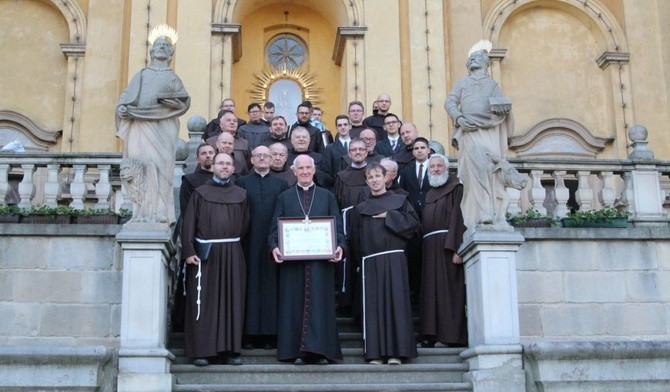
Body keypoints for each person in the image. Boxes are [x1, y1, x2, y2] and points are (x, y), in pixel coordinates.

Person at [269, 155, 346, 364]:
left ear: (314, 170)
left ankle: (321, 351)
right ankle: (296, 351)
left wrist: (340, 246)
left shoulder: (326, 196)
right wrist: (274, 247)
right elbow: (275, 229)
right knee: (293, 305)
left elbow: (337, 226)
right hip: (293, 266)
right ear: (294, 171)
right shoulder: (284, 197)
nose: (304, 171)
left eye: (308, 168)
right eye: (300, 168)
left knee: (321, 306)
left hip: (321, 264)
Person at [116, 25, 190, 224]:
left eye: (166, 46)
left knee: (161, 168)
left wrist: (173, 103)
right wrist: (123, 107)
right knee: (140, 166)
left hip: (162, 128)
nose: (162, 48)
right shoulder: (141, 74)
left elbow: (184, 100)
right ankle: (140, 210)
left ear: (171, 54)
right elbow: (126, 96)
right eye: (158, 45)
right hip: (140, 125)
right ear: (151, 51)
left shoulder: (172, 77)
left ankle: (159, 210)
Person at [181, 152, 249, 366]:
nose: (225, 167)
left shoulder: (241, 194)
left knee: (232, 301)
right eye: (221, 163)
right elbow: (189, 223)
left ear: (233, 168)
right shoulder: (200, 193)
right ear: (213, 166)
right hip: (205, 256)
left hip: (232, 253)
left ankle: (230, 350)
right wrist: (189, 250)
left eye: (228, 163)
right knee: (205, 302)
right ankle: (203, 351)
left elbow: (245, 224)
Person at [349, 163, 419, 364]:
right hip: (369, 263)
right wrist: (357, 262)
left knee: (395, 304)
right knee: (373, 308)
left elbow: (413, 224)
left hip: (394, 259)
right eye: (370, 177)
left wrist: (390, 216)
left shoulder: (400, 200)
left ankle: (396, 353)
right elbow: (355, 236)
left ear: (385, 177)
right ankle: (374, 353)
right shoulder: (360, 208)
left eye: (377, 176)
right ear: (366, 181)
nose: (374, 180)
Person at [444, 40, 517, 230]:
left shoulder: (493, 85)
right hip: (469, 131)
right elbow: (449, 102)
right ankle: (482, 212)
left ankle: (495, 212)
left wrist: (503, 109)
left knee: (492, 168)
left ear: (486, 63)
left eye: (478, 57)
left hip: (488, 131)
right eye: (471, 58)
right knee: (475, 172)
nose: (473, 59)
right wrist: (459, 118)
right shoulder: (463, 83)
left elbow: (502, 107)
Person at [236, 146, 289, 350]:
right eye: (258, 156)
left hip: (274, 243)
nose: (263, 159)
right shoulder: (241, 183)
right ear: (251, 159)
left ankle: (270, 334)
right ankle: (249, 334)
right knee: (250, 286)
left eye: (266, 156)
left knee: (271, 287)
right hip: (248, 242)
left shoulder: (281, 184)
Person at [419, 154, 467, 347]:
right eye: (432, 167)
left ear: (447, 169)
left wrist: (457, 248)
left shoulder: (456, 188)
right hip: (430, 248)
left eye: (440, 166)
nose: (436, 169)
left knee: (448, 293)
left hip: (448, 247)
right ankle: (431, 334)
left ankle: (449, 336)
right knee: (431, 292)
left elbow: (459, 218)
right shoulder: (430, 193)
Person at [173, 142, 216, 333]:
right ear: (198, 158)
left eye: (210, 153)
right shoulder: (190, 181)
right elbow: (187, 213)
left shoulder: (229, 179)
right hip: (199, 241)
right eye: (204, 153)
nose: (208, 156)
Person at [322, 115, 352, 179]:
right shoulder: (330, 148)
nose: (343, 127)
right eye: (340, 125)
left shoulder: (357, 145)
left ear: (350, 126)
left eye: (345, 124)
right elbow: (327, 171)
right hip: (338, 185)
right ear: (336, 128)